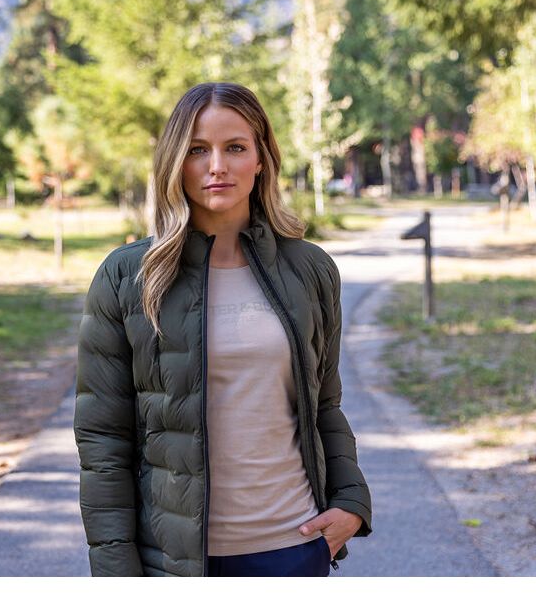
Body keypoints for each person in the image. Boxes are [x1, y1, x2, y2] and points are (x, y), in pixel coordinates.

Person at [74, 82, 372, 577]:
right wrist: (116, 573)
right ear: (175, 162)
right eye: (197, 150)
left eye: (235, 147)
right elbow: (103, 441)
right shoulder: (127, 277)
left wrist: (351, 501)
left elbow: (325, 404)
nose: (217, 166)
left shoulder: (309, 269)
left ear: (261, 160)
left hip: (293, 545)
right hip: (176, 561)